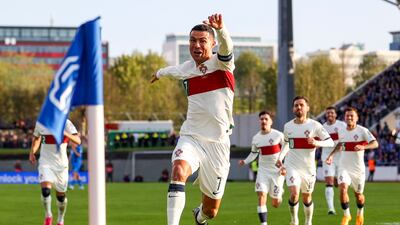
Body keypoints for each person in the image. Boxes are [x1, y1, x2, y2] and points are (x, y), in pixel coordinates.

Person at [150, 13, 235, 225]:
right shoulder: (187, 69)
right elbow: (172, 71)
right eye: (192, 40)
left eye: (202, 40)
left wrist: (222, 29)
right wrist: (159, 73)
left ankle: (200, 217)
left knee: (211, 210)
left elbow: (227, 47)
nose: (196, 45)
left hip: (218, 145)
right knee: (178, 170)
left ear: (213, 44)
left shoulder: (223, 64)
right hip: (191, 137)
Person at [276, 96, 334, 225]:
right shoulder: (288, 126)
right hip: (292, 166)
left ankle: (308, 221)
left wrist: (316, 142)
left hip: (308, 169)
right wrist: (280, 158)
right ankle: (294, 219)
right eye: (296, 105)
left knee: (307, 198)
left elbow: (330, 142)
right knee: (294, 193)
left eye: (301, 105)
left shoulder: (315, 125)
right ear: (293, 109)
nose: (299, 107)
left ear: (307, 108)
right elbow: (286, 144)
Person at [326, 107, 378, 225]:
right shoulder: (342, 131)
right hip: (343, 167)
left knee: (358, 196)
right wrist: (331, 155)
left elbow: (375, 143)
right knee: (343, 189)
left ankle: (360, 212)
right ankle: (347, 216)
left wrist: (364, 146)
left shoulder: (362, 131)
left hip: (358, 170)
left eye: (351, 116)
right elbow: (340, 144)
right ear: (344, 118)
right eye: (347, 116)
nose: (349, 118)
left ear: (356, 118)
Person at [238, 111, 287, 225]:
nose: (263, 121)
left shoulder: (278, 135)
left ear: (271, 121)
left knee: (275, 204)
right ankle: (263, 223)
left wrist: (284, 165)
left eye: (266, 119)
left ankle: (279, 195)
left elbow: (287, 147)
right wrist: (244, 161)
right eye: (261, 119)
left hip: (277, 172)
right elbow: (254, 153)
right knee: (261, 195)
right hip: (263, 171)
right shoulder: (256, 138)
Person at [29, 119, 81, 225]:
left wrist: (65, 132)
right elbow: (37, 138)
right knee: (45, 190)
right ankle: (48, 215)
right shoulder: (41, 122)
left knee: (61, 197)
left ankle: (61, 219)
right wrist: (32, 151)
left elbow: (78, 140)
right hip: (45, 162)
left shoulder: (66, 122)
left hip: (61, 165)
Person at [321, 106, 346, 215]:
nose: (330, 115)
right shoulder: (322, 127)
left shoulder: (342, 125)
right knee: (329, 182)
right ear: (326, 115)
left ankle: (336, 179)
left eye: (332, 113)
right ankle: (331, 209)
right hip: (327, 157)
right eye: (328, 113)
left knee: (338, 183)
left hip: (340, 157)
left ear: (335, 115)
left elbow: (343, 142)